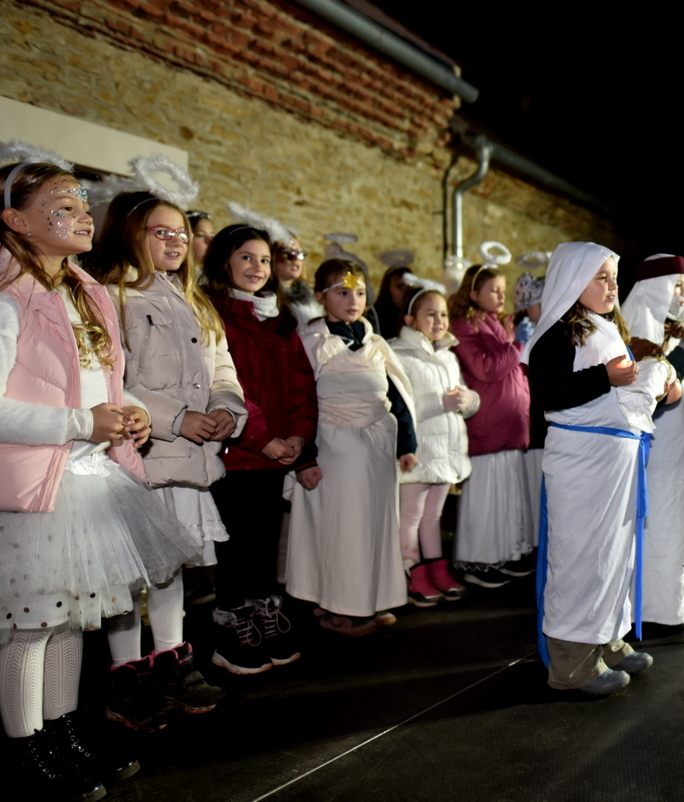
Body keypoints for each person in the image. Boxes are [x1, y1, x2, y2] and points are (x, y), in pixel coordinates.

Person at [0, 160, 196, 797]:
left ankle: (62, 733)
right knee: (31, 627)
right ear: (16, 222)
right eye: (62, 207)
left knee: (71, 620)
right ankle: (25, 751)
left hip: (87, 475)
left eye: (84, 205)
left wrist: (129, 411)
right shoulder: (4, 303)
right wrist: (82, 422)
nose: (84, 216)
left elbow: (99, 382)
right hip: (36, 485)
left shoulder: (85, 294)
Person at [87, 190, 245, 725]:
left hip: (187, 461)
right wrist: (176, 418)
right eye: (162, 231)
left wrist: (225, 408)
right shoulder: (110, 296)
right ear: (130, 233)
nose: (176, 241)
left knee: (170, 564)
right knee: (131, 573)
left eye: (181, 232)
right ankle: (126, 675)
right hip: (140, 454)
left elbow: (222, 367)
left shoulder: (195, 301)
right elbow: (113, 379)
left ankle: (172, 661)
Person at [523, 241, 671, 695]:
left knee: (612, 553)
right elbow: (549, 394)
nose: (612, 287)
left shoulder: (601, 325)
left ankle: (606, 637)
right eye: (601, 278)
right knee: (581, 556)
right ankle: (571, 663)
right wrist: (604, 377)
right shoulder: (555, 333)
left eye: (614, 278)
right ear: (572, 280)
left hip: (612, 461)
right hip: (582, 460)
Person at [201, 223, 317, 674]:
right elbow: (227, 387)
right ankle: (232, 629)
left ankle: (264, 613)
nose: (258, 267)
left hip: (275, 454)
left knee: (265, 544)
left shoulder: (279, 320)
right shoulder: (214, 314)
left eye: (265, 260)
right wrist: (262, 438)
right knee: (236, 547)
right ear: (224, 261)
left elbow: (301, 385)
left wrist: (298, 438)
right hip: (237, 454)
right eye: (246, 257)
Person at [286, 260, 416, 636]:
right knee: (343, 530)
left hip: (377, 452)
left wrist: (407, 443)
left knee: (374, 527)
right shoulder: (311, 343)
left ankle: (371, 597)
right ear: (320, 296)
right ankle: (338, 605)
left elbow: (397, 395)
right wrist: (304, 457)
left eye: (359, 293)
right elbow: (299, 401)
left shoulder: (375, 343)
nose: (353, 300)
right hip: (333, 449)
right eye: (342, 292)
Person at [621, 254, 684, 626]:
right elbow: (645, 392)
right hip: (656, 453)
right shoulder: (635, 332)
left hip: (681, 452)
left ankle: (681, 604)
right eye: (677, 286)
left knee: (680, 517)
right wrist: (675, 362)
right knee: (658, 522)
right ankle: (653, 607)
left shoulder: (675, 330)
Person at [392, 280, 478, 605]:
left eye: (443, 314)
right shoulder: (399, 354)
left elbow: (467, 400)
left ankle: (436, 571)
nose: (439, 321)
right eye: (430, 314)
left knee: (433, 517)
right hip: (420, 451)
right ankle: (411, 574)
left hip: (445, 452)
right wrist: (440, 403)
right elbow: (401, 406)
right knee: (411, 516)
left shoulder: (448, 356)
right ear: (410, 320)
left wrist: (469, 400)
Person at [449, 263, 533, 588]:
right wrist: (517, 345)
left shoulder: (499, 323)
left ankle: (502, 554)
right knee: (485, 497)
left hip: (510, 423)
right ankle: (476, 559)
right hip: (488, 422)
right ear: (473, 294)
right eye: (493, 290)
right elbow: (485, 368)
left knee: (506, 496)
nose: (501, 296)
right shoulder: (463, 325)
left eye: (502, 290)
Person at [514, 270, 547, 551]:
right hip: (531, 418)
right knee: (532, 483)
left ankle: (539, 539)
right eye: (539, 302)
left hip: (541, 417)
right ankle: (533, 540)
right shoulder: (523, 332)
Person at [272, 232, 323, 329]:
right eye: (288, 253)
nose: (296, 259)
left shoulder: (312, 295)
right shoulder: (267, 299)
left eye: (299, 253)